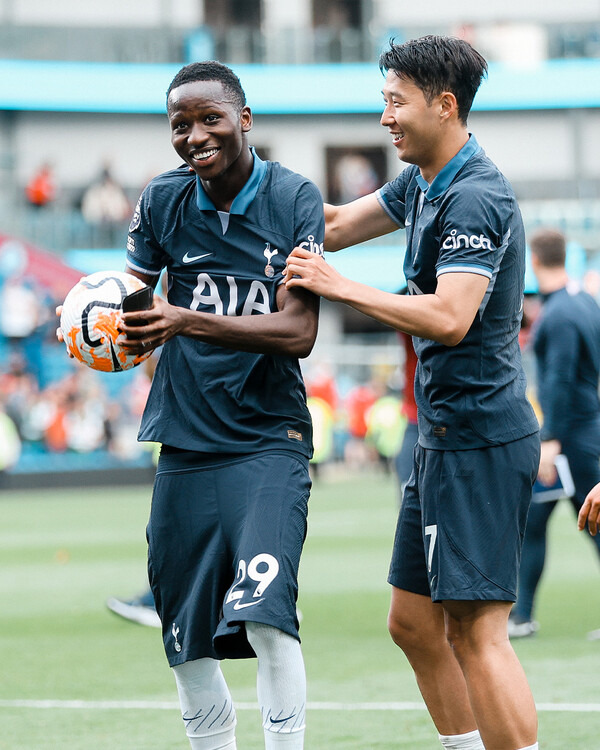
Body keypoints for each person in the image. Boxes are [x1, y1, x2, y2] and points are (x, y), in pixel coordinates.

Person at [285, 35, 540, 750]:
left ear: (445, 105)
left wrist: (342, 288)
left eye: (395, 103)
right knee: (414, 622)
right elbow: (332, 226)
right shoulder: (422, 180)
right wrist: (241, 194)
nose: (385, 119)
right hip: (442, 436)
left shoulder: (475, 194)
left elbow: (452, 316)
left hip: (483, 437)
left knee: (478, 629)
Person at [117, 61, 323, 750]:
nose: (195, 135)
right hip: (185, 441)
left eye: (210, 118)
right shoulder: (162, 201)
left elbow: (298, 332)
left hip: (269, 438)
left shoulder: (295, 197)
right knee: (186, 640)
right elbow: (134, 303)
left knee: (266, 618)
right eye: (181, 124)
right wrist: (99, 326)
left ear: (245, 118)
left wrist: (183, 320)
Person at [508, 228, 600, 639]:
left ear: (535, 261)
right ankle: (521, 614)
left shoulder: (559, 315)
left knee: (592, 521)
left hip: (570, 438)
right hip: (584, 430)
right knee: (535, 519)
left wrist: (551, 442)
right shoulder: (582, 304)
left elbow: (559, 380)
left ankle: (522, 615)